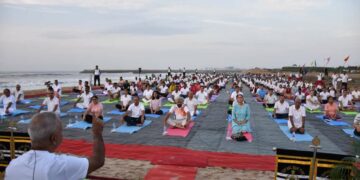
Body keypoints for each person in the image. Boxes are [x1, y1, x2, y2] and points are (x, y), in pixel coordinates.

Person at [5, 112, 105, 179]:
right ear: (54, 139)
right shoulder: (60, 164)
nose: (62, 134)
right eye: (61, 132)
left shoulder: (12, 166)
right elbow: (98, 161)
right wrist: (97, 133)